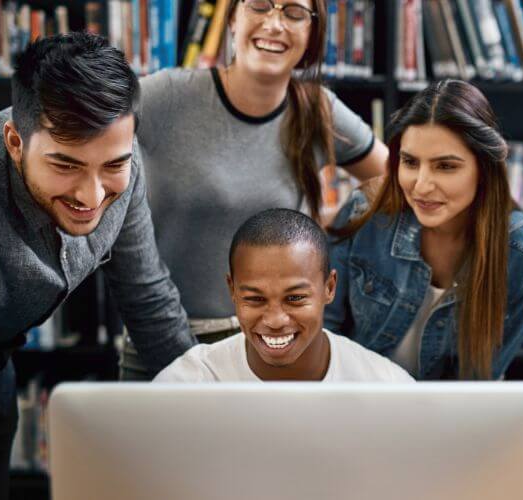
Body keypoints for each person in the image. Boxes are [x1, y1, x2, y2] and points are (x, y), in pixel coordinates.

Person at [0, 33, 196, 500]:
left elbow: (150, 304)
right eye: (65, 165)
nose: (92, 196)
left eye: (112, 164)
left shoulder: (123, 172)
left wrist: (213, 423)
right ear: (14, 141)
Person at [121, 0, 388, 378]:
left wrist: (329, 236)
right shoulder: (167, 95)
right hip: (160, 345)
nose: (275, 24)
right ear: (232, 18)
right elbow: (72, 126)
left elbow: (398, 182)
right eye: (260, 6)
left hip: (271, 350)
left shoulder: (318, 109)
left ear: (312, 32)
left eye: (294, 12)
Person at [324, 80, 523, 381]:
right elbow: (325, 336)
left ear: (484, 169)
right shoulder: (363, 213)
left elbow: (481, 382)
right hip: (355, 405)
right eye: (410, 162)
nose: (421, 186)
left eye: (445, 166)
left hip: (449, 420)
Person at [155, 209, 413, 382]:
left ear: (329, 288)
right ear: (232, 290)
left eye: (295, 298)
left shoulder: (384, 384)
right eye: (255, 299)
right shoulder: (190, 382)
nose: (275, 320)